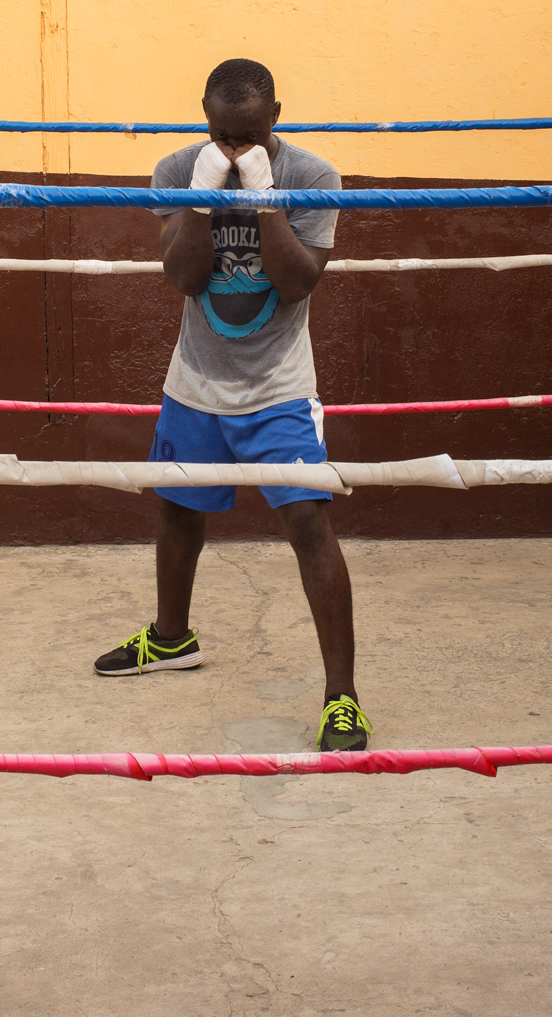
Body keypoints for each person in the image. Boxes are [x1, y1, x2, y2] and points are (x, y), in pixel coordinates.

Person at [91, 58, 369, 753]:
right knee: (178, 510)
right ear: (205, 118)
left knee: (308, 521)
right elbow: (184, 278)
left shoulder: (312, 176)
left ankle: (343, 698)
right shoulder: (179, 167)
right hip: (196, 378)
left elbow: (300, 282)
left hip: (278, 384)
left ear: (277, 114)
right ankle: (170, 637)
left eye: (249, 134)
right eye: (223, 134)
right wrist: (201, 198)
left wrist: (264, 199)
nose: (236, 148)